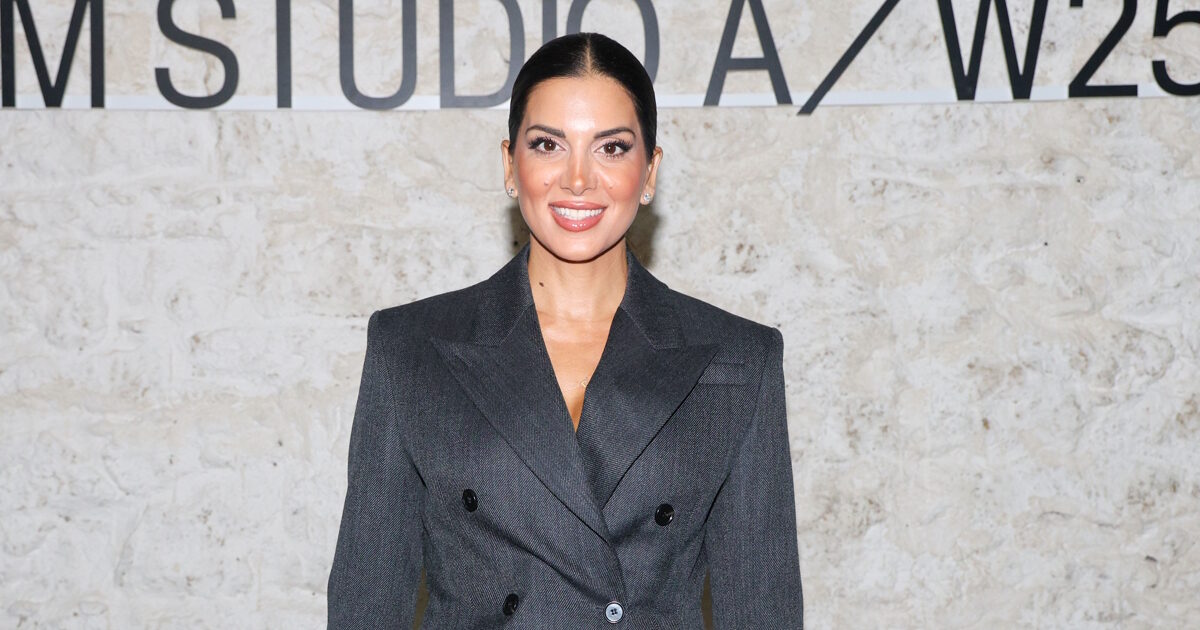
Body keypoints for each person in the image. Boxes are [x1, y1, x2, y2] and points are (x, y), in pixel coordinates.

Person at [327, 33, 803, 629]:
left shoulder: (737, 362)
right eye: (548, 144)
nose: (578, 179)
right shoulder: (409, 350)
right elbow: (366, 607)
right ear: (510, 164)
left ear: (650, 172)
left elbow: (763, 612)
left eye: (612, 148)